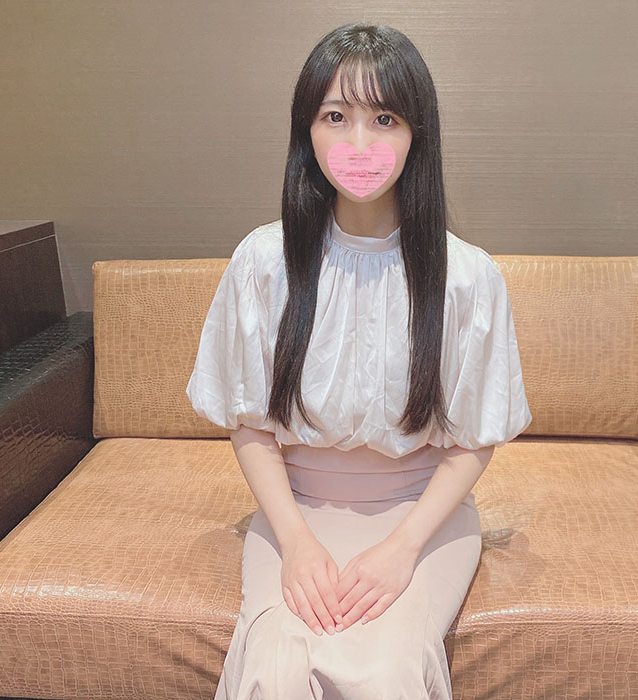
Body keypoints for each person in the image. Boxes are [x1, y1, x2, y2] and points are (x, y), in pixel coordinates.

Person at [186, 22, 532, 700]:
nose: (360, 144)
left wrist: (401, 549)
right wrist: (295, 543)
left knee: (385, 670)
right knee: (274, 667)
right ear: (307, 132)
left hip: (421, 517)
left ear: (417, 135)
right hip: (294, 511)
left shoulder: (467, 276)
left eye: (385, 119)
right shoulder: (262, 261)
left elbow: (473, 440)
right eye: (336, 117)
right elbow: (248, 423)